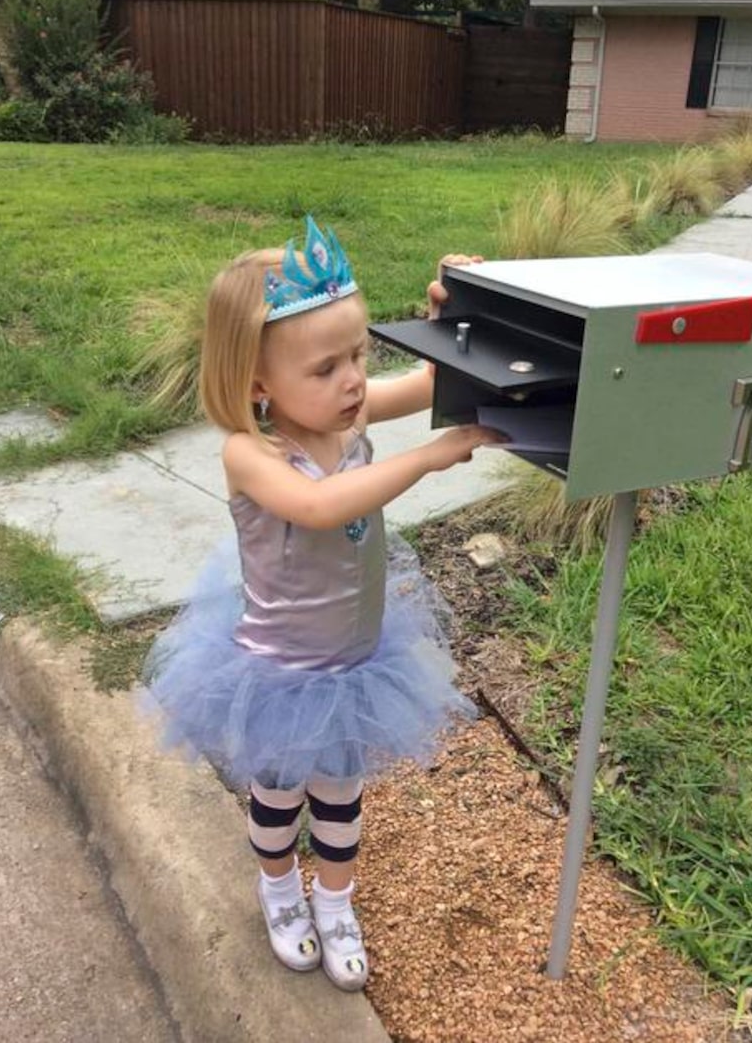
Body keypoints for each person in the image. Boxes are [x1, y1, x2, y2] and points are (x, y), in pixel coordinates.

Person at [143, 217, 500, 992]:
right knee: (277, 801)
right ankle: (279, 891)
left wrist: (453, 310)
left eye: (360, 356)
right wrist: (430, 457)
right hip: (278, 672)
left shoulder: (351, 411)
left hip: (356, 661)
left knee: (341, 798)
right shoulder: (253, 455)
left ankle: (334, 902)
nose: (352, 381)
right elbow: (320, 506)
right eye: (327, 367)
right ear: (259, 385)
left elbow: (436, 380)